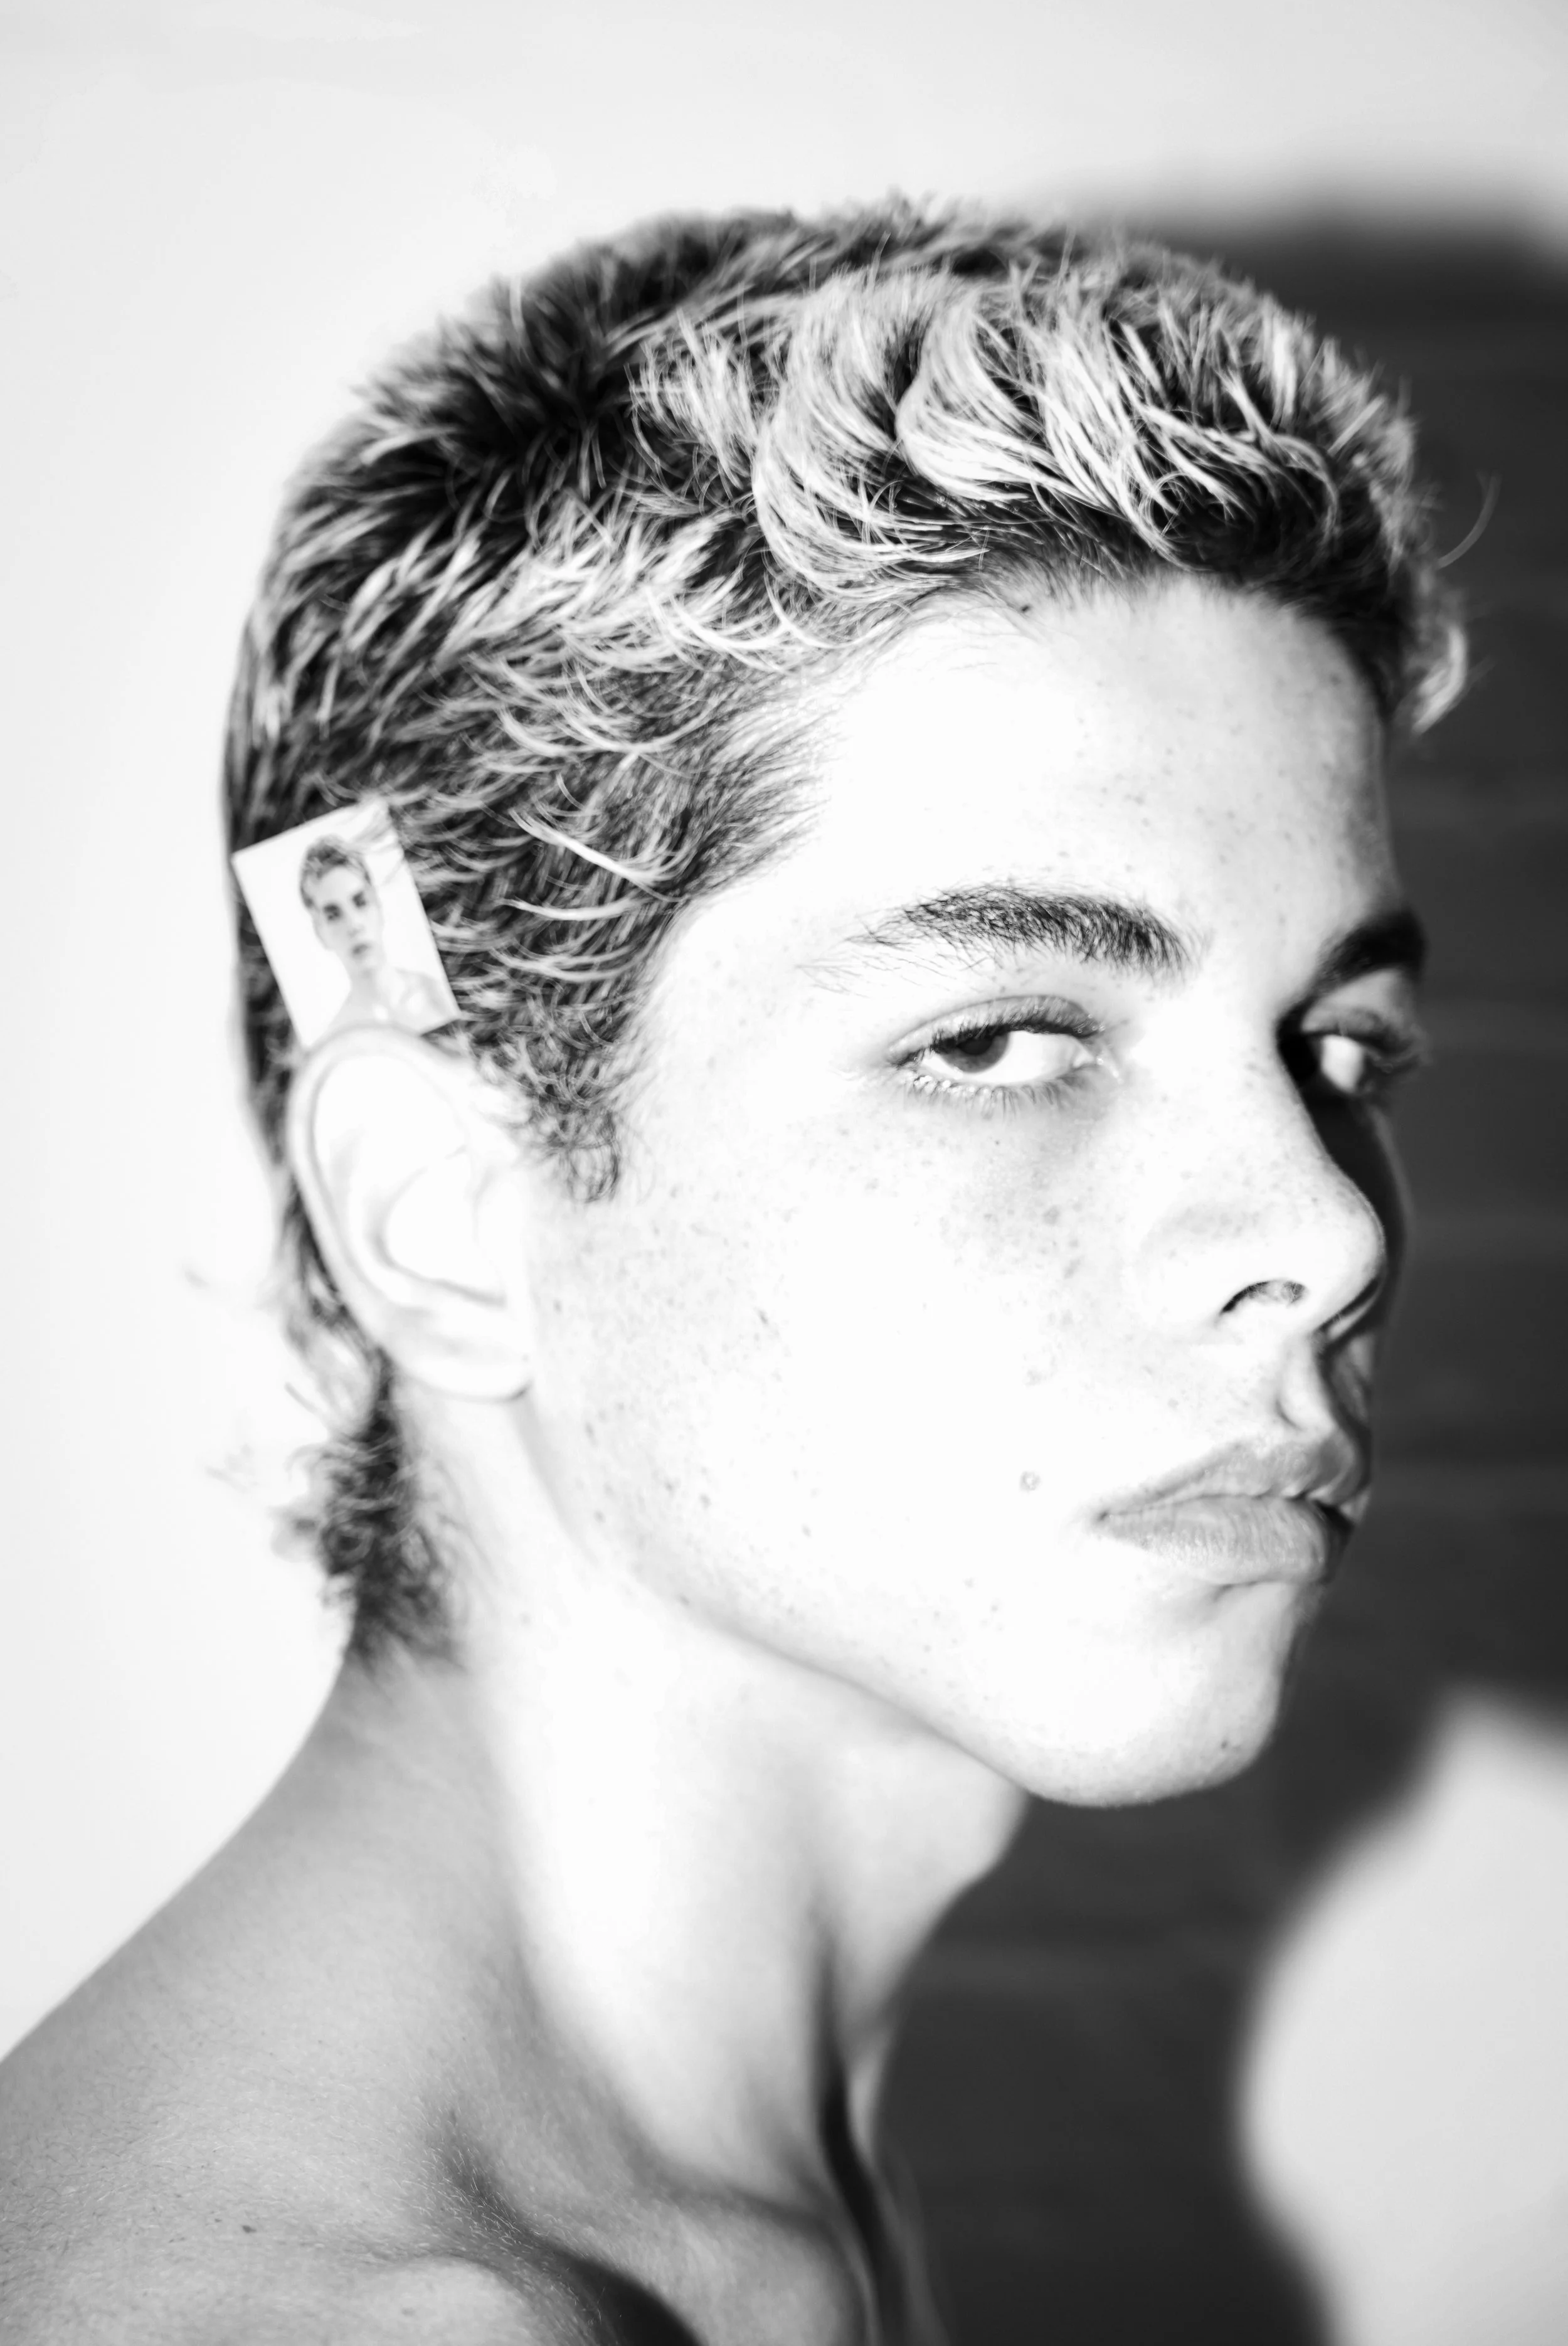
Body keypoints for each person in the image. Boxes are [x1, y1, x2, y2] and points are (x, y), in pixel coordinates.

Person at [0, 201, 1464, 2342]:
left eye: (1343, 1053)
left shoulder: (755, 2207)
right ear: (441, 1205)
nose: (1328, 1231)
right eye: (995, 1042)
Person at [298, 833, 453, 1040]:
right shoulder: (335, 1040)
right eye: (333, 915)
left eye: (360, 902)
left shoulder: (440, 996)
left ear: (378, 906)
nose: (354, 925)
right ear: (319, 932)